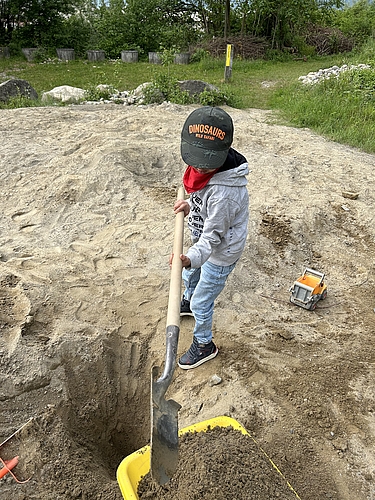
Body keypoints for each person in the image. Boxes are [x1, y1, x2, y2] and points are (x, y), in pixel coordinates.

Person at [172, 106, 249, 370]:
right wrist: (190, 207)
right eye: (195, 159)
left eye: (205, 162)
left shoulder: (226, 194)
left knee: (202, 300)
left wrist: (189, 257)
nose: (198, 167)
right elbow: (204, 204)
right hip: (204, 239)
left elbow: (213, 237)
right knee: (190, 276)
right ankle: (188, 301)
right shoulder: (206, 173)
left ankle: (205, 344)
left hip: (220, 251)